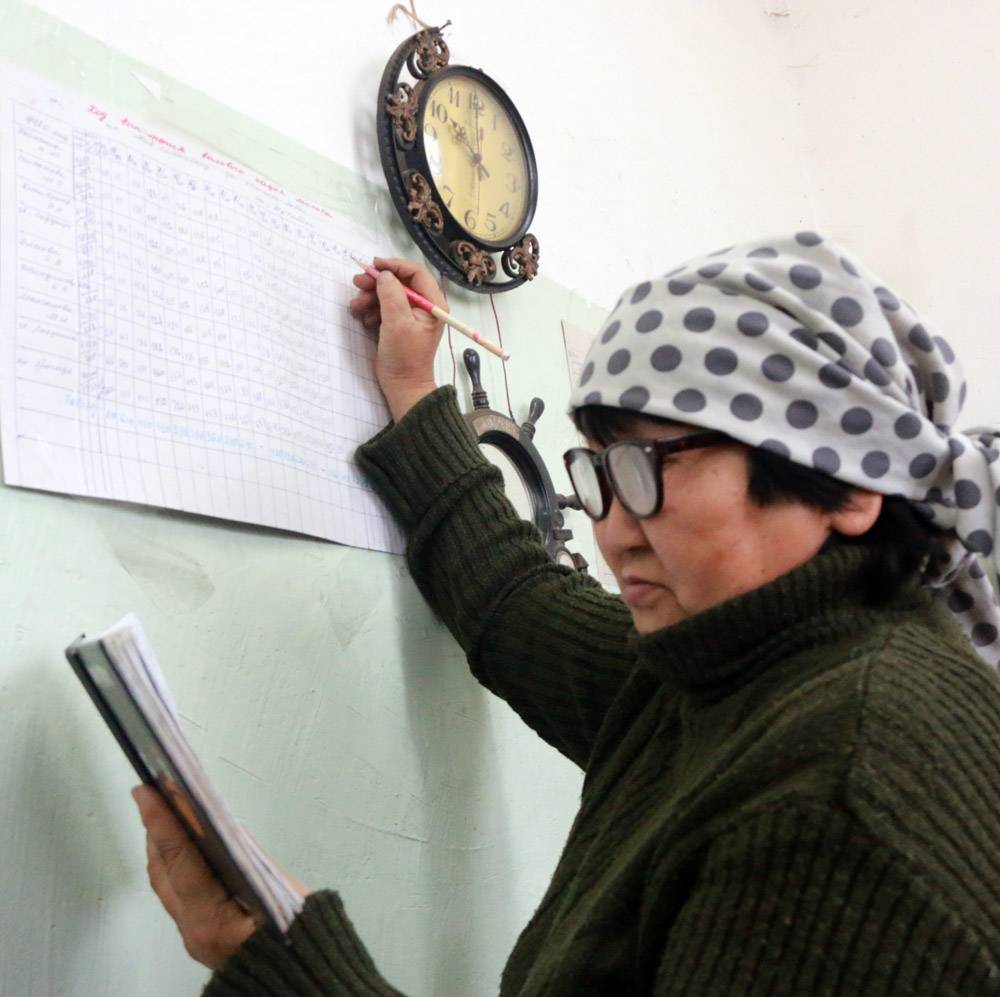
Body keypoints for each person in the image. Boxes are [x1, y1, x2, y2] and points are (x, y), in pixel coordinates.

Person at [134, 233, 1000, 994]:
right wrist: (412, 386)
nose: (613, 530)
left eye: (650, 469)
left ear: (848, 486)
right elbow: (515, 600)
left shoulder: (844, 791)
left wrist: (271, 960)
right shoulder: (728, 667)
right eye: (599, 472)